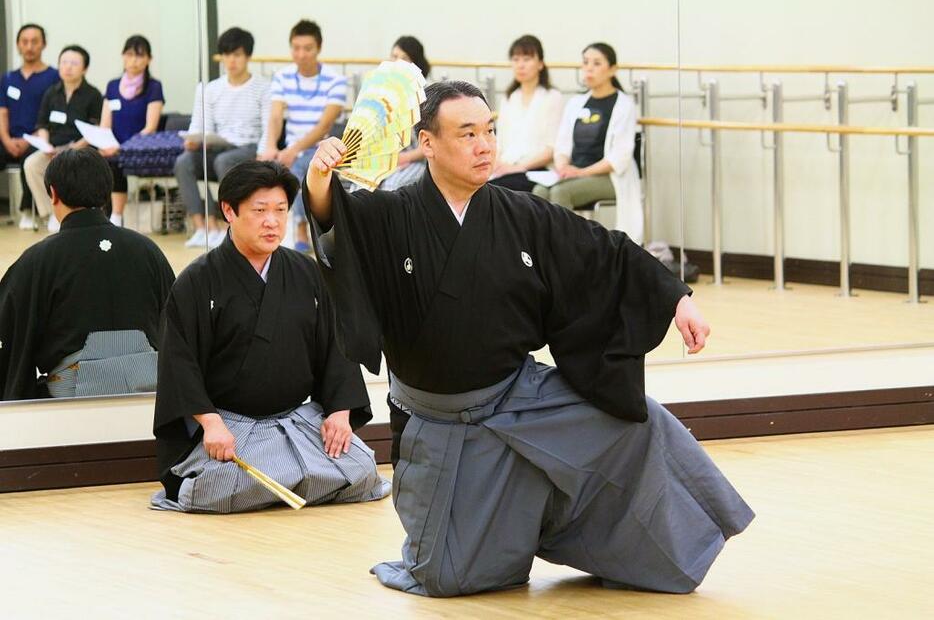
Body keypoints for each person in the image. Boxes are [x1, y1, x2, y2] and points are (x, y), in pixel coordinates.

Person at [304, 81, 754, 597]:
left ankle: (647, 547)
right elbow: (335, 214)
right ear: (427, 143)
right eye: (467, 133)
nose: (485, 145)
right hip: (442, 422)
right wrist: (319, 178)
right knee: (451, 578)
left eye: (490, 131)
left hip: (519, 397)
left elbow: (603, 251)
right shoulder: (393, 214)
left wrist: (676, 298)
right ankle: (516, 525)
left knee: (639, 423)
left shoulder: (521, 213)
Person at [151, 160, 389, 513]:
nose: (272, 222)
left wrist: (340, 411)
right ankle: (293, 479)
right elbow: (178, 362)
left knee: (362, 471)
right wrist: (211, 423)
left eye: (280, 210)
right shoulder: (197, 281)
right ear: (229, 211)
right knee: (212, 489)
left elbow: (335, 346)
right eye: (259, 210)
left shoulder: (306, 272)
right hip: (232, 428)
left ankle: (284, 479)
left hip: (297, 421)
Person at [0, 148, 174, 400]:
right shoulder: (147, 250)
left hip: (73, 393)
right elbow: (177, 323)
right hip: (149, 390)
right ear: (107, 192)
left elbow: (8, 333)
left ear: (53, 193)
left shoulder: (39, 259)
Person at [533, 43, 643, 244]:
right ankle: (541, 250)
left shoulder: (624, 105)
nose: (589, 68)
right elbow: (562, 144)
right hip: (575, 173)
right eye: (585, 63)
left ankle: (568, 253)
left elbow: (619, 157)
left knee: (560, 192)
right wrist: (563, 166)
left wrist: (580, 172)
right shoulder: (576, 102)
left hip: (609, 176)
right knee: (539, 191)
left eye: (597, 63)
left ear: (612, 69)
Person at [176, 27, 269, 249]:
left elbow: (268, 127)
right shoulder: (210, 89)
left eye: (236, 55)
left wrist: (263, 154)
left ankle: (229, 224)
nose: (231, 61)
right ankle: (203, 226)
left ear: (247, 56)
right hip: (216, 146)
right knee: (184, 162)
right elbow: (200, 124)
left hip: (247, 148)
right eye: (226, 55)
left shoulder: (264, 88)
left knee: (223, 161)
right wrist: (195, 140)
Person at [257, 20, 346, 252]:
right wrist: (270, 146)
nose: (301, 54)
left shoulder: (335, 80)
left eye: (307, 48)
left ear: (319, 48)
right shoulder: (283, 77)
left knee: (299, 170)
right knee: (262, 169)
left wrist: (292, 151)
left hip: (322, 147)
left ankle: (299, 228)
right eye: (296, 48)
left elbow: (324, 125)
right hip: (291, 146)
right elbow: (275, 117)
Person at [23, 45, 102, 233]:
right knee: (31, 164)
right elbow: (41, 125)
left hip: (81, 149)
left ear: (84, 68)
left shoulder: (93, 95)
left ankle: (73, 215)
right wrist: (46, 145)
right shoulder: (51, 93)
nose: (68, 67)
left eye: (74, 63)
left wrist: (74, 148)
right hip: (53, 149)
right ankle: (52, 213)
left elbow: (95, 129)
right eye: (64, 62)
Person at [99, 35, 165, 227]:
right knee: (94, 159)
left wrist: (121, 148)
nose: (133, 60)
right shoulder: (112, 86)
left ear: (148, 60)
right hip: (112, 146)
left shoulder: (153, 87)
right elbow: (105, 124)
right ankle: (99, 214)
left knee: (115, 162)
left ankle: (116, 217)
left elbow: (150, 127)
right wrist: (106, 144)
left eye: (139, 56)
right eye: (129, 55)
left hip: (138, 147)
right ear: (122, 56)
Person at [0, 23, 59, 229]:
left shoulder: (53, 77)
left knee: (31, 157)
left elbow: (52, 116)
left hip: (38, 138)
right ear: (18, 45)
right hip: (9, 139)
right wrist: (6, 140)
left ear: (43, 44)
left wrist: (27, 140)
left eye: (34, 41)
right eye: (24, 42)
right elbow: (2, 111)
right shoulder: (8, 78)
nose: (29, 46)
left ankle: (27, 210)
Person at [489, 35, 563, 192]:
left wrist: (519, 167)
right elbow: (499, 143)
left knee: (495, 192)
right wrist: (496, 165)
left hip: (537, 170)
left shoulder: (552, 97)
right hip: (506, 169)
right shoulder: (509, 98)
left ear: (540, 64)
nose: (520, 65)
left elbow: (552, 149)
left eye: (527, 59)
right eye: (515, 59)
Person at [378, 36, 430, 191]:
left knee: (391, 187)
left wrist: (401, 159)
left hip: (419, 161)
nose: (397, 62)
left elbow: (431, 142)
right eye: (394, 57)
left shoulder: (426, 95)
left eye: (404, 58)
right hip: (388, 161)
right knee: (358, 186)